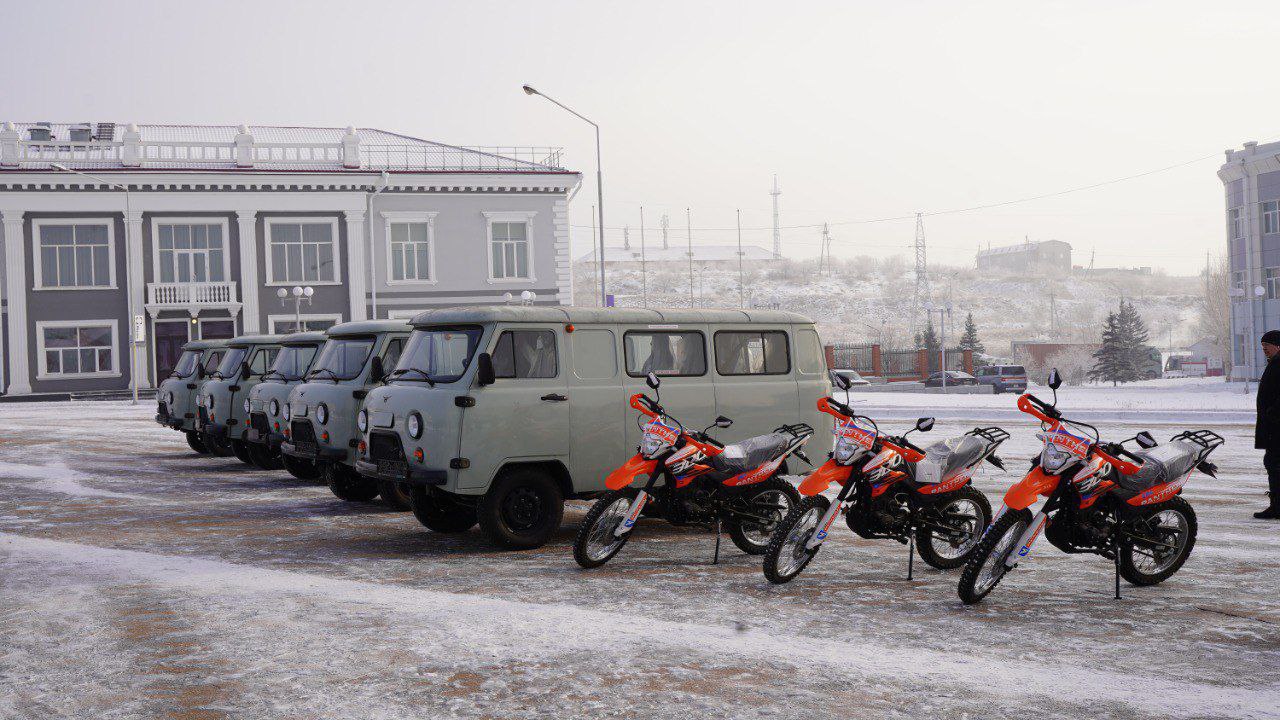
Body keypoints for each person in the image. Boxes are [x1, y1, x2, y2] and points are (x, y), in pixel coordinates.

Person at [1254, 330, 1280, 519]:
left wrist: (1272, 413)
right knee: (1273, 463)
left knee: (1274, 464)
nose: (1264, 349)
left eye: (1267, 346)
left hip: (1277, 427)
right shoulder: (1275, 363)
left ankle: (1277, 507)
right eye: (1262, 346)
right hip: (1273, 426)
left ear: (1278, 346)